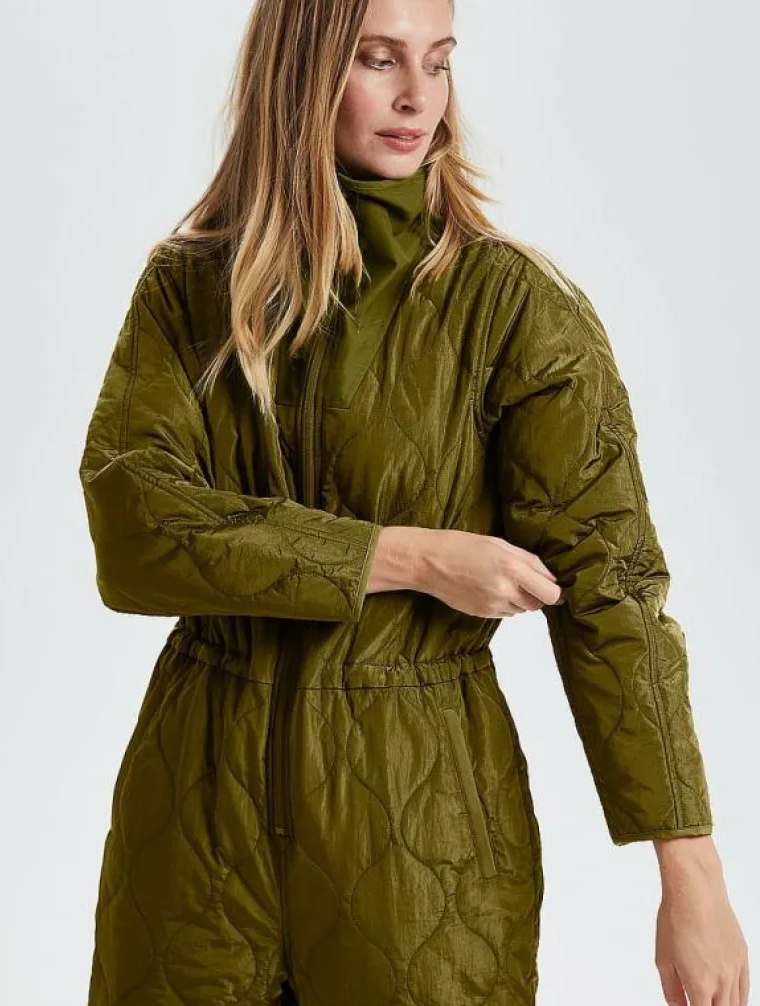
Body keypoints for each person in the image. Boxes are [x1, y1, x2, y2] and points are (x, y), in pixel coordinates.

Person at [78, 1, 749, 1004]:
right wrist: (406, 556)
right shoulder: (188, 290)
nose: (415, 98)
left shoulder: (511, 308)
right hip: (191, 828)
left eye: (436, 63)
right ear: (301, 72)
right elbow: (135, 528)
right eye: (378, 59)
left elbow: (611, 589)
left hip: (421, 830)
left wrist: (687, 868)